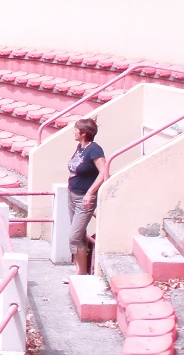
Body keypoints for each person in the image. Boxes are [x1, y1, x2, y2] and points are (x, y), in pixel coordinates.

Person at [67, 117, 106, 275]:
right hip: (72, 194)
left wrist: (90, 193)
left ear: (83, 133)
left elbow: (103, 172)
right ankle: (80, 270)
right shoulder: (80, 147)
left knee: (74, 236)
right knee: (79, 235)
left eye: (76, 129)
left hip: (84, 198)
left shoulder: (94, 149)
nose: (73, 132)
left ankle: (81, 272)